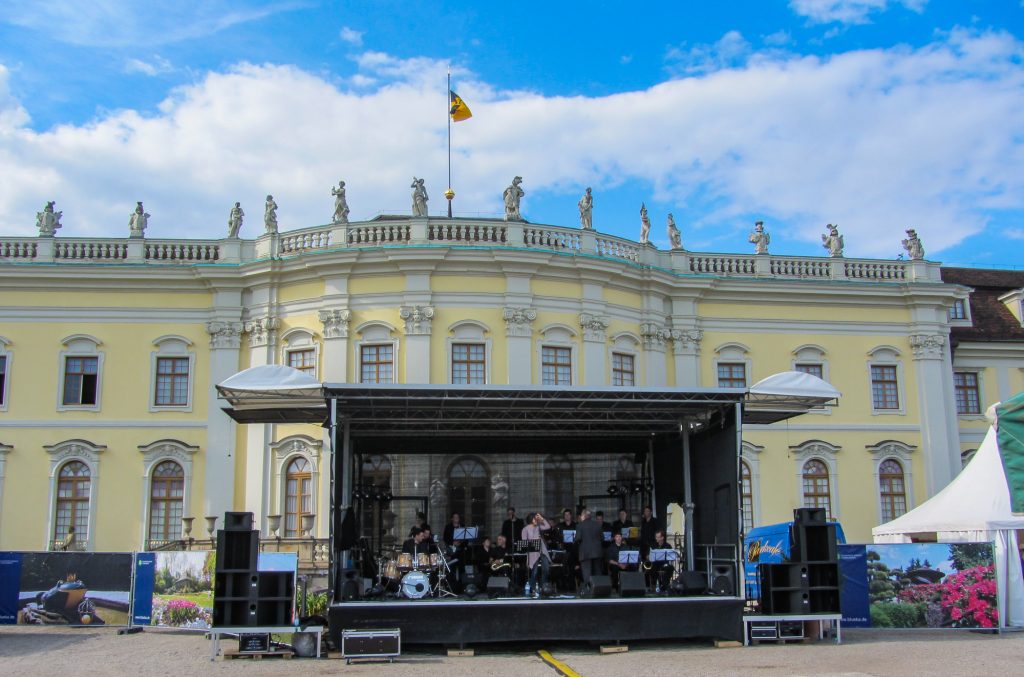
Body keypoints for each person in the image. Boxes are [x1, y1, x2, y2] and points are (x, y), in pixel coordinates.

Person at [522, 512, 551, 597]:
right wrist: (533, 540)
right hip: (533, 552)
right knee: (534, 571)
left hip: (542, 550)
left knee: (546, 568)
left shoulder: (538, 527)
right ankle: (533, 588)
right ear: (531, 520)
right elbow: (524, 542)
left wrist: (542, 518)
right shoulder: (525, 529)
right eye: (535, 519)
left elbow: (548, 526)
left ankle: (543, 587)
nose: (536, 520)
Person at [575, 508, 604, 592]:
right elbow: (602, 538)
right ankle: (599, 590)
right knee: (597, 571)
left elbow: (577, 538)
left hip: (585, 552)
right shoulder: (597, 524)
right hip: (597, 551)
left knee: (586, 573)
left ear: (583, 516)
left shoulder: (580, 525)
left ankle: (588, 590)